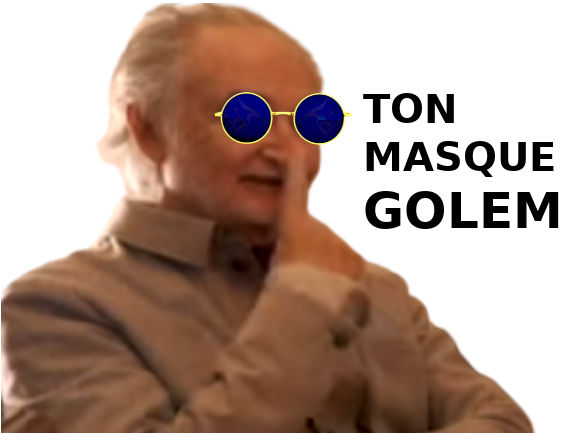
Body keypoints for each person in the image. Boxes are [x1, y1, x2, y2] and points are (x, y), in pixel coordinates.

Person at [1, 4, 535, 433]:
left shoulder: (376, 287)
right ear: (148, 128)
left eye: (311, 120)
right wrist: (303, 302)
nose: (288, 150)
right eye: (246, 117)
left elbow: (505, 421)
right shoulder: (54, 306)